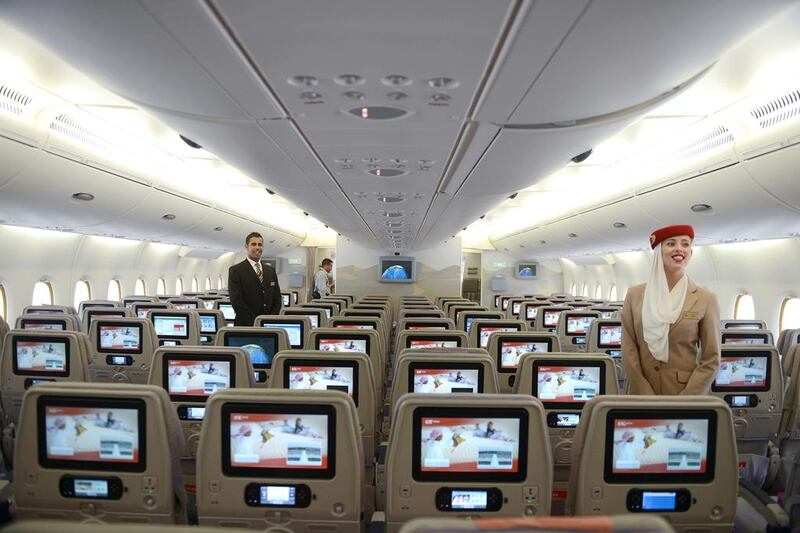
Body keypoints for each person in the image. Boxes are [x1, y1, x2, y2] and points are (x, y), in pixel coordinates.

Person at [622, 225, 720, 395]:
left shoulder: (705, 299)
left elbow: (711, 358)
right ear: (659, 250)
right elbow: (629, 349)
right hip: (641, 393)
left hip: (683, 394)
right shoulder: (635, 295)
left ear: (691, 251)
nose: (679, 249)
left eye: (685, 244)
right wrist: (644, 393)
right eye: (671, 244)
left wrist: (687, 399)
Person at [228, 232, 282, 326]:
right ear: (246, 246)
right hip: (245, 325)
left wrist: (269, 321)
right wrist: (256, 323)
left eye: (260, 244)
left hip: (268, 325)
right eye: (253, 244)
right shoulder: (236, 270)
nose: (257, 247)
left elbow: (277, 299)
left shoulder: (270, 271)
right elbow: (237, 302)